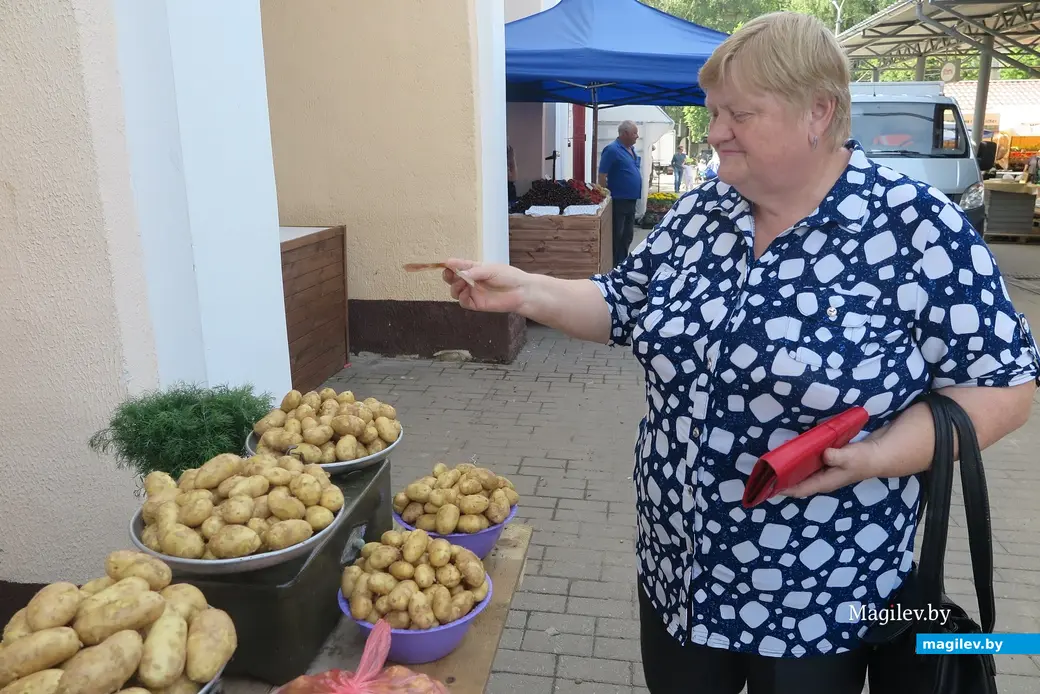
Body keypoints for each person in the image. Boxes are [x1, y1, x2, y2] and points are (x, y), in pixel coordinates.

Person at [437, 12, 1039, 694]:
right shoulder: (704, 212)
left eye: (739, 114)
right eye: (713, 112)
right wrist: (525, 290)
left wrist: (878, 456)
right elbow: (624, 305)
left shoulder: (915, 227)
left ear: (818, 113)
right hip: (679, 570)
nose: (716, 131)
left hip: (822, 591)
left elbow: (1003, 386)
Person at [598, 120, 642, 266]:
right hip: (618, 199)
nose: (637, 136)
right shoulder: (612, 150)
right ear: (625, 133)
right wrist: (605, 197)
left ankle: (622, 262)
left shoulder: (631, 150)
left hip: (631, 199)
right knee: (617, 234)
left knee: (628, 235)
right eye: (634, 133)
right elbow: (602, 175)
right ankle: (613, 264)